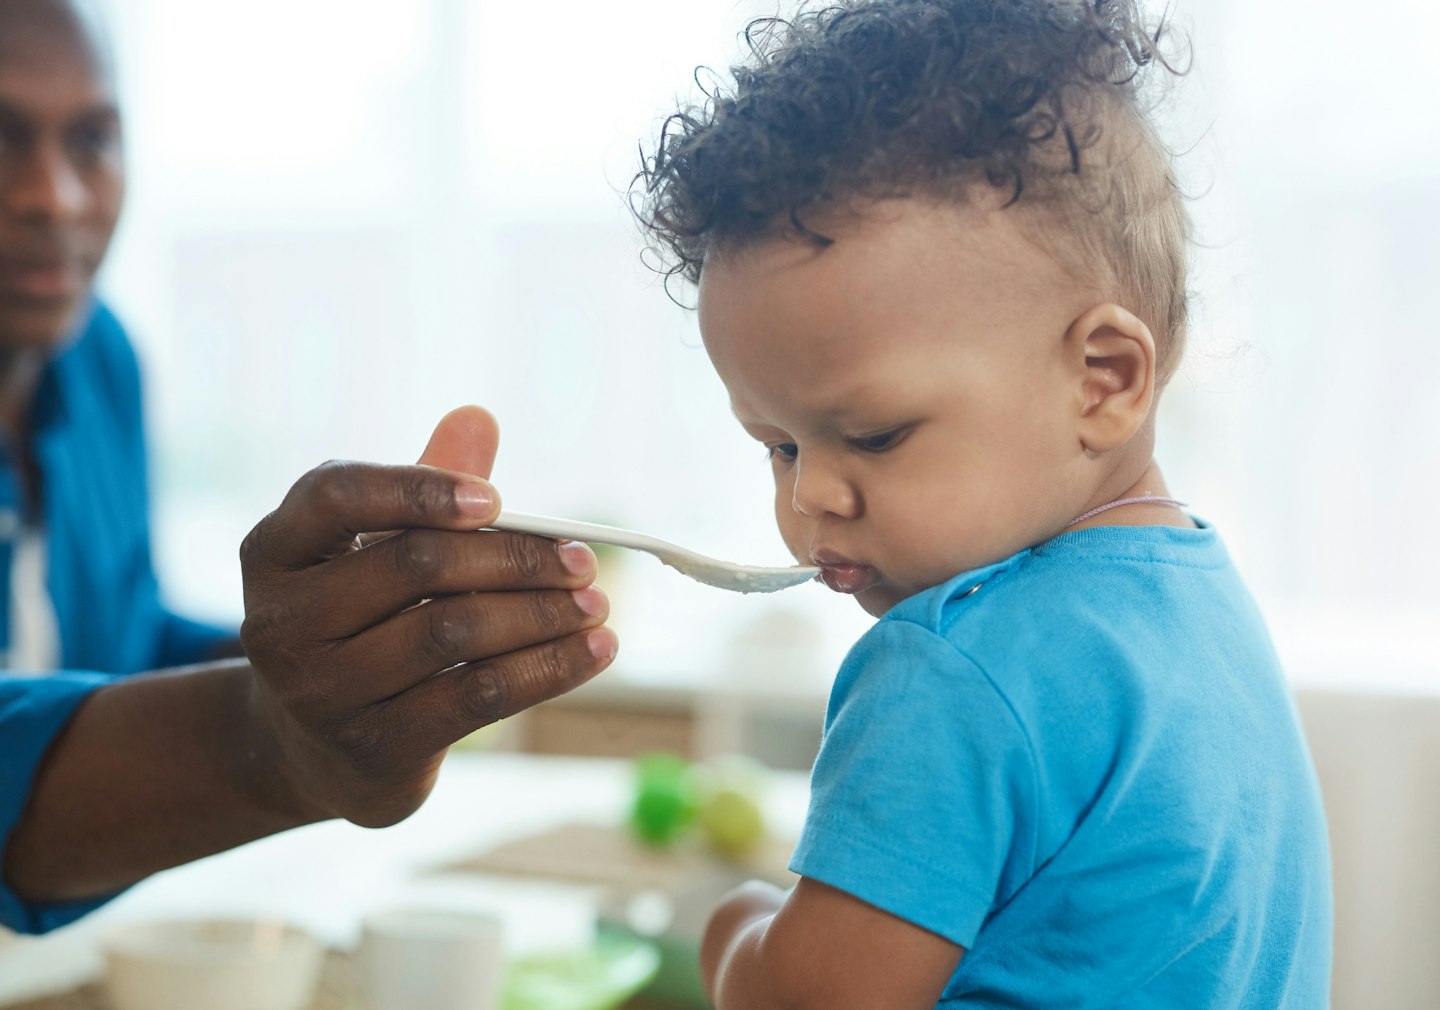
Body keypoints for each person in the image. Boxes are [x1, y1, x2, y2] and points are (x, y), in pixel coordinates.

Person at [633, 0, 1332, 1006]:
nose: (809, 495)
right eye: (778, 445)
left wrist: (731, 926)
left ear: (1103, 378)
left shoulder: (951, 663)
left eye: (873, 434)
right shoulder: (1206, 616)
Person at [0, 0, 618, 934]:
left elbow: (115, 641)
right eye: (1, 139)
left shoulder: (99, 362)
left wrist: (361, 637)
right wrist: (284, 738)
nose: (55, 195)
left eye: (91, 139)